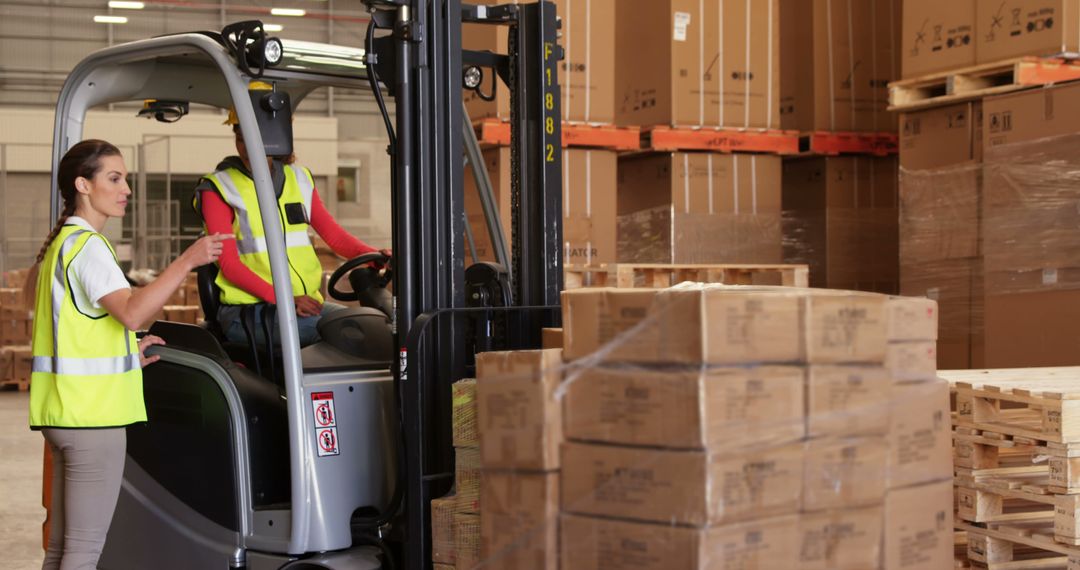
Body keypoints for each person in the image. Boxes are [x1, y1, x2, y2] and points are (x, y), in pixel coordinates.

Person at [29, 139, 229, 569]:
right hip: (92, 418)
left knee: (63, 549)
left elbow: (82, 328)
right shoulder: (90, 247)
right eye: (114, 178)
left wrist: (125, 355)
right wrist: (187, 261)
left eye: (126, 179)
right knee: (82, 553)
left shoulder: (64, 244)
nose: (126, 189)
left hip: (65, 414)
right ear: (83, 184)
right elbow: (133, 312)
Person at [193, 112, 387, 346]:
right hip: (248, 312)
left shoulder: (300, 178)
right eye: (241, 138)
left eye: (255, 138)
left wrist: (374, 255)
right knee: (346, 335)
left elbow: (334, 237)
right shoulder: (218, 188)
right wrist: (285, 300)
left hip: (300, 306)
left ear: (278, 137)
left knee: (373, 328)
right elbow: (229, 265)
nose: (247, 147)